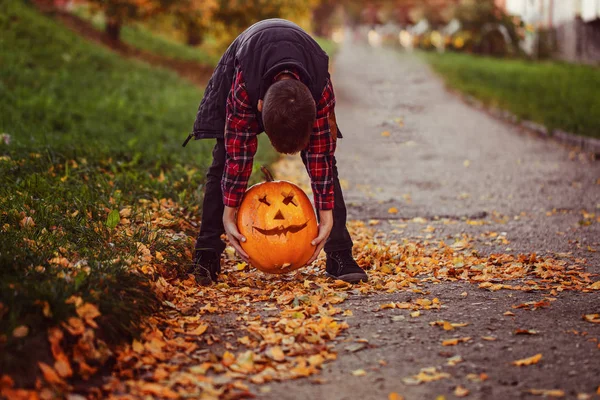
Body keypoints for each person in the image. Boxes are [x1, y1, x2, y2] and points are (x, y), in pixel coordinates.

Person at [182, 18, 368, 285]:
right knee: (222, 161)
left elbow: (320, 159)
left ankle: (340, 254)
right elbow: (239, 157)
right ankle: (207, 252)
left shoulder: (319, 88)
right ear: (259, 108)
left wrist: (326, 215)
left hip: (300, 70)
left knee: (328, 164)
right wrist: (229, 212)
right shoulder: (244, 89)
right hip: (246, 58)